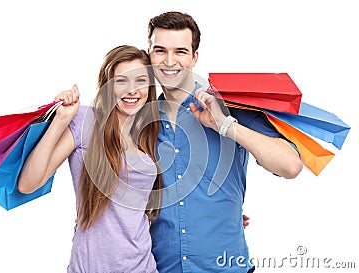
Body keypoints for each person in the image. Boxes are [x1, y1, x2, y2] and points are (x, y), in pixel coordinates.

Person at [146, 11, 303, 272]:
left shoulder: (230, 108)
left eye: (181, 51)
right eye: (160, 50)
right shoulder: (139, 118)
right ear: (148, 54)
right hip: (161, 267)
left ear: (195, 57)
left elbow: (291, 165)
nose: (169, 61)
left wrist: (225, 126)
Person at [18, 45, 162, 273]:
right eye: (122, 81)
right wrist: (61, 120)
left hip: (142, 266)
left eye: (140, 81)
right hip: (90, 266)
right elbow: (28, 183)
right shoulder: (87, 121)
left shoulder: (149, 134)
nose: (132, 90)